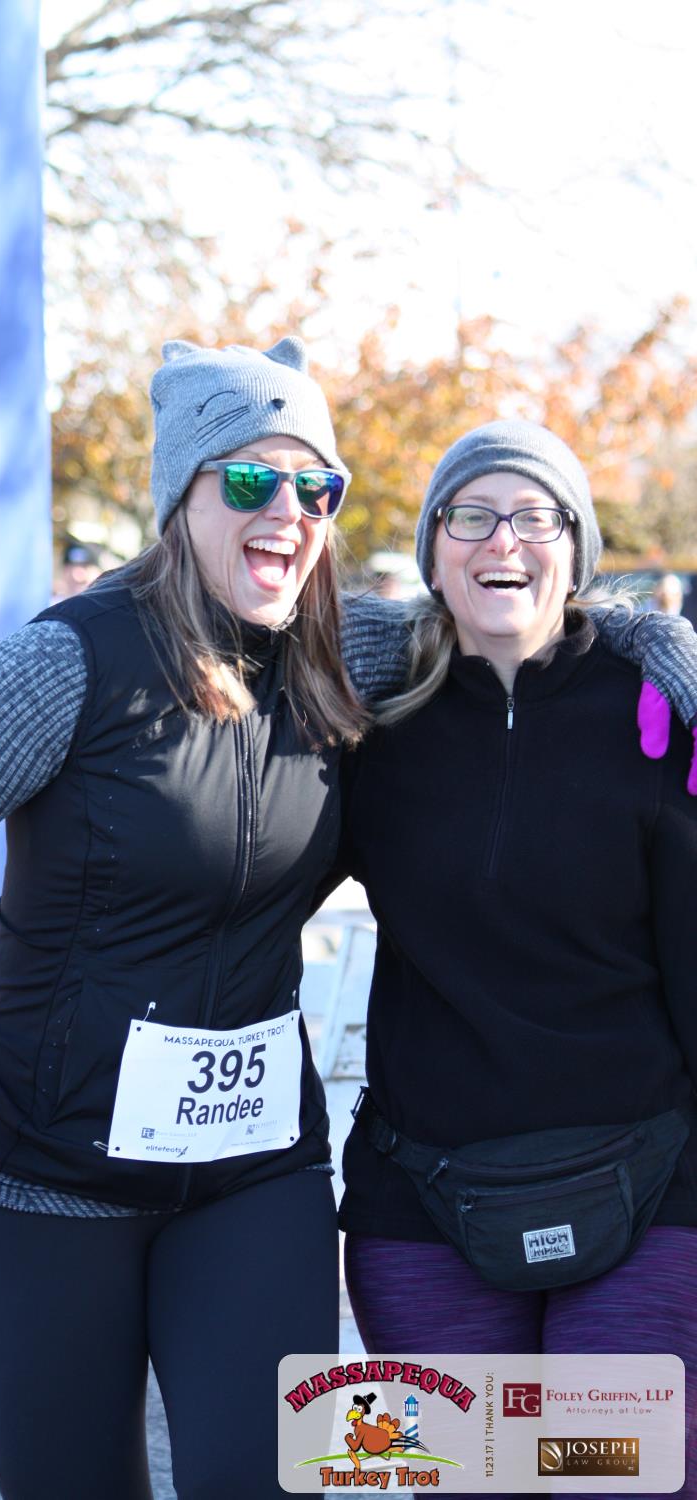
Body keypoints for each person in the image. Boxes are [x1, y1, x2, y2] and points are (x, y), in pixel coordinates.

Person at [0, 343, 697, 1500]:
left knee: (288, 1478)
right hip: (43, 1171)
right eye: (247, 481)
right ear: (178, 497)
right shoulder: (67, 662)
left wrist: (663, 646)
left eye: (314, 487)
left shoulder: (337, 652)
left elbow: (520, 611)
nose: (286, 511)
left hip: (250, 1179)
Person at [336, 421, 697, 1493]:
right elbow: (233, 873)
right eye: (471, 516)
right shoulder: (367, 722)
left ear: (575, 548)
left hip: (648, 1185)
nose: (504, 539)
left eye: (536, 516)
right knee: (451, 1480)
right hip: (422, 1201)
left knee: (605, 1477)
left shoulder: (656, 711)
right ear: (433, 551)